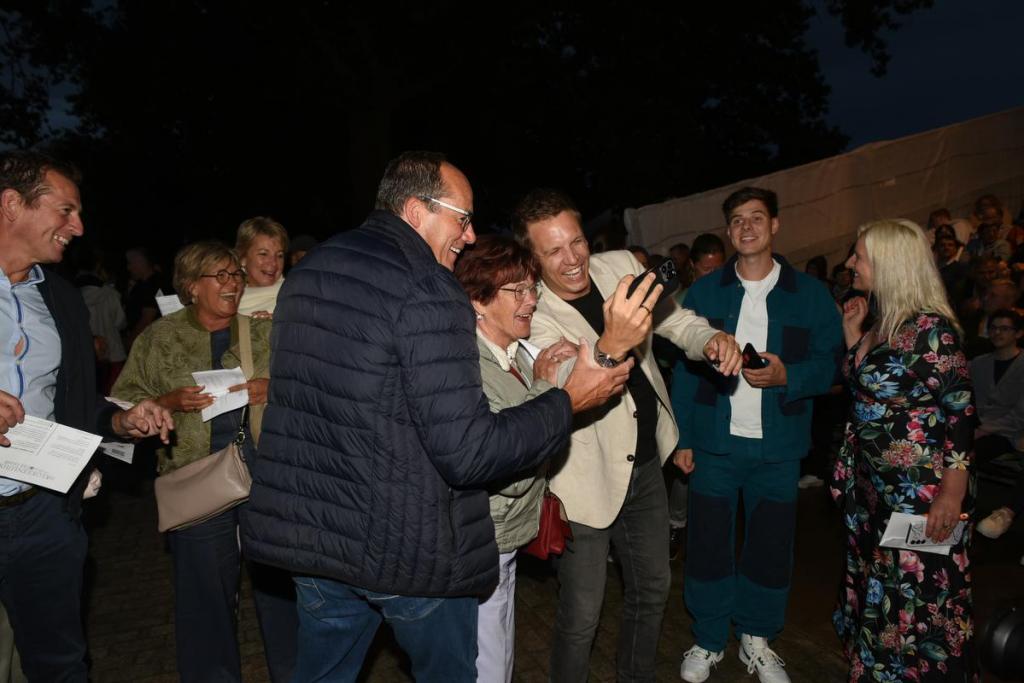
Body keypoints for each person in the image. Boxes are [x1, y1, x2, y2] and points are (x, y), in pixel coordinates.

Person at [240, 151, 634, 682]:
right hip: (407, 551)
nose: (469, 236)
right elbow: (470, 453)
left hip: (315, 541)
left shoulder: (313, 270)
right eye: (462, 218)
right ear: (415, 209)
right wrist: (567, 402)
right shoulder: (428, 286)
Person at [512, 188, 742, 683]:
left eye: (576, 241)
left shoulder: (618, 265)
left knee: (653, 589)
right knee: (582, 615)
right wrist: (612, 343)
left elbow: (674, 319)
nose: (572, 259)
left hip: (645, 464)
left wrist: (710, 340)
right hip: (582, 478)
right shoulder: (531, 311)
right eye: (553, 251)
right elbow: (569, 386)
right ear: (533, 259)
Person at [0, 149, 173, 681]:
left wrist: (120, 420)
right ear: (12, 204)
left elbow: (74, 402)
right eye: (66, 210)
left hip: (40, 509)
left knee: (60, 664)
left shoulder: (62, 299)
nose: (78, 227)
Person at [671, 186, 841, 683]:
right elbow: (684, 371)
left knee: (770, 545)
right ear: (729, 231)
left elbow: (832, 364)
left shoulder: (809, 294)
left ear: (775, 225)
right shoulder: (706, 292)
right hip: (715, 445)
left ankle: (757, 637)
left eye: (757, 217)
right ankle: (708, 637)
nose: (747, 227)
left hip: (778, 448)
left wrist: (790, 376)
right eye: (738, 220)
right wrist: (682, 438)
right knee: (708, 544)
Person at [112, 241, 297, 682]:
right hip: (197, 480)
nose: (233, 284)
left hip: (266, 476)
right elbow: (123, 406)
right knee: (204, 598)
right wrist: (168, 402)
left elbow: (309, 385)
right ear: (192, 286)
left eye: (236, 275)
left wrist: (272, 389)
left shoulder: (262, 332)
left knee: (282, 590)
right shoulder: (160, 339)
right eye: (221, 276)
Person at [834, 219, 976, 681]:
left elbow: (961, 414)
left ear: (890, 264)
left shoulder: (931, 331)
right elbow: (865, 384)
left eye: (859, 256)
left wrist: (951, 494)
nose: (850, 263)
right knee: (887, 594)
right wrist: (853, 333)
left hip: (921, 496)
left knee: (924, 600)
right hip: (877, 492)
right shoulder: (884, 322)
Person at [453, 235, 577, 683]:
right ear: (478, 301)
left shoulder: (512, 354)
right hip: (482, 541)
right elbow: (507, 463)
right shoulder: (468, 368)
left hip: (504, 537)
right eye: (517, 290)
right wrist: (546, 387)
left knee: (498, 650)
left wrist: (552, 372)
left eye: (532, 288)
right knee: (486, 659)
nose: (532, 301)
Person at [970, 309, 1024, 541]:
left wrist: (983, 429)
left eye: (1005, 328)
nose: (997, 333)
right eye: (993, 328)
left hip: (1013, 433)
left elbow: (1020, 415)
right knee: (961, 453)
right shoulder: (979, 363)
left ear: (1018, 333)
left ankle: (1005, 514)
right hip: (981, 429)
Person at [235, 216, 288, 317]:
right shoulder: (227, 296)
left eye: (279, 255)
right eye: (263, 254)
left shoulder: (293, 295)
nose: (273, 263)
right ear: (243, 258)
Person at [123, 246, 166, 351]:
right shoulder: (141, 285)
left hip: (150, 345)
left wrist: (130, 342)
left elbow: (147, 318)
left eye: (130, 263)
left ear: (140, 263)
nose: (128, 268)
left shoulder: (153, 285)